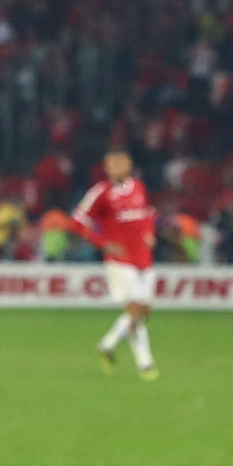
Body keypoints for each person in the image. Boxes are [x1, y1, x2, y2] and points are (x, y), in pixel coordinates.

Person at [73, 150, 159, 379]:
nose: (115, 167)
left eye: (120, 162)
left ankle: (107, 346)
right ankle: (145, 364)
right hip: (120, 260)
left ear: (129, 164)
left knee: (142, 311)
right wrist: (102, 243)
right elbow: (78, 220)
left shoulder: (138, 187)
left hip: (143, 257)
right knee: (135, 309)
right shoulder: (101, 192)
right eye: (111, 164)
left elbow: (148, 213)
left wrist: (150, 233)